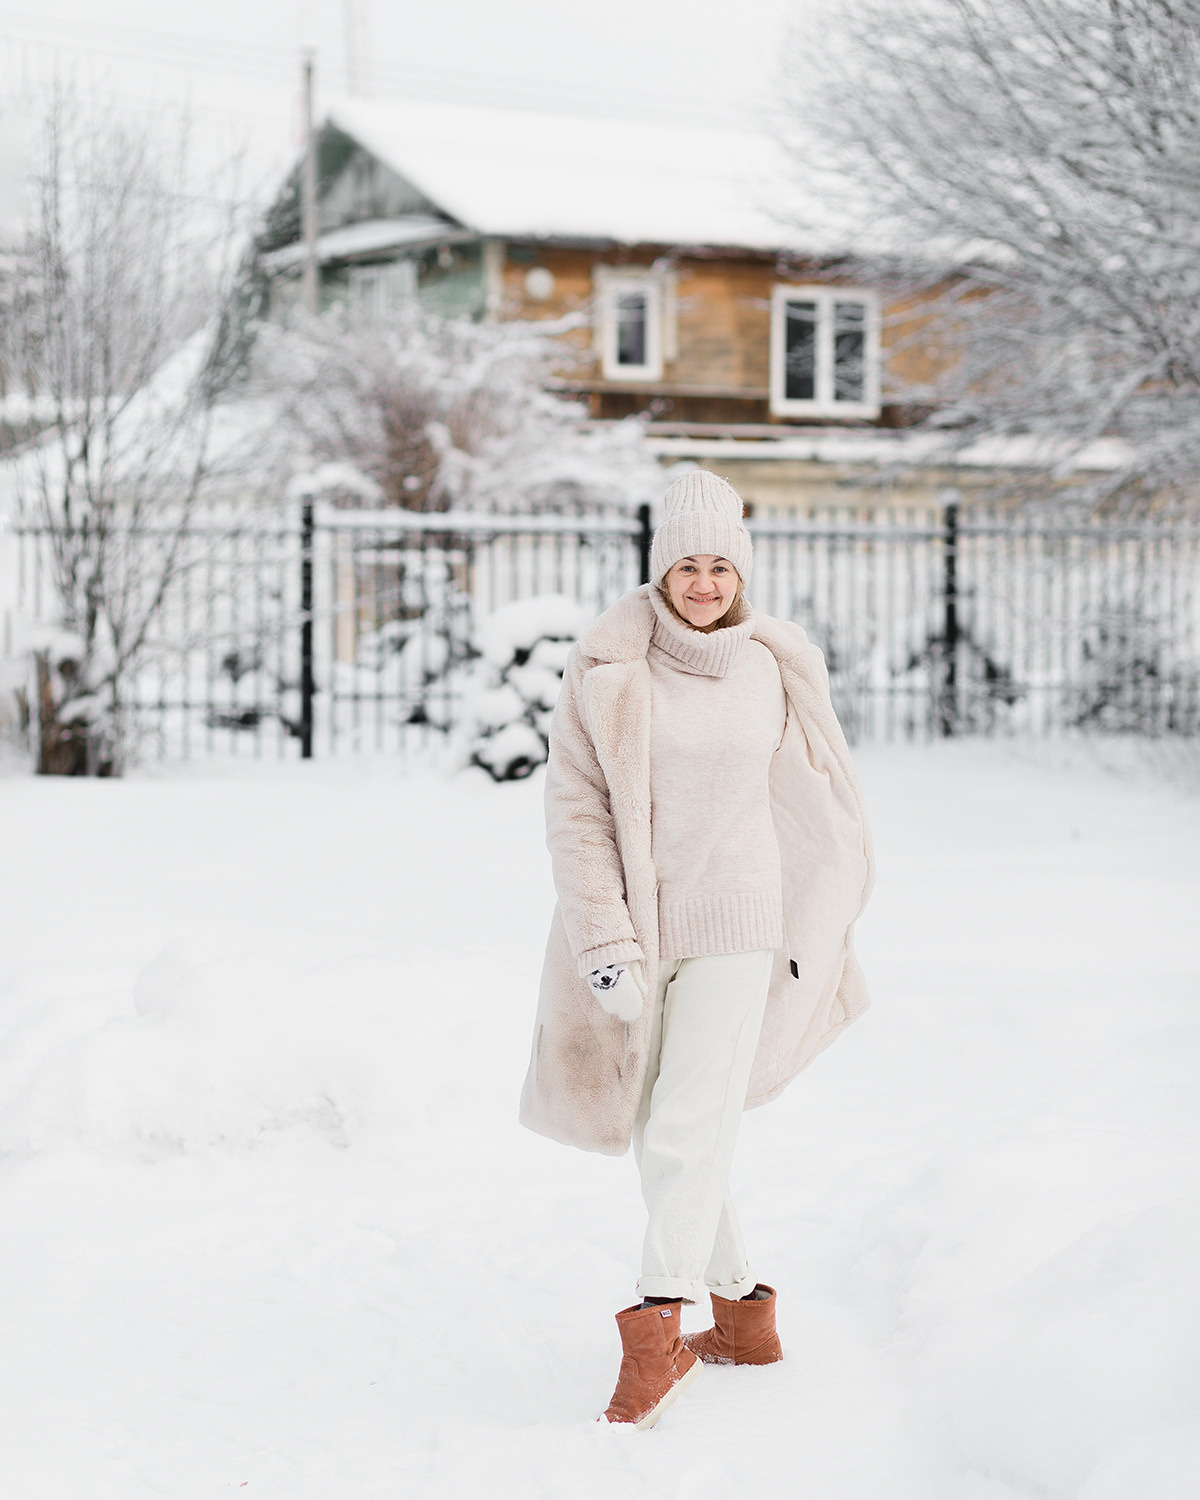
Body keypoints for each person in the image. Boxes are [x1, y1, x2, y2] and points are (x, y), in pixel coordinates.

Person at [520, 470, 875, 1429]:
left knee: (685, 1126)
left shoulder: (774, 668)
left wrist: (822, 912)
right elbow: (575, 810)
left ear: (742, 570)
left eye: (723, 564)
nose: (706, 583)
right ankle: (745, 1320)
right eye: (689, 563)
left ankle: (657, 1331)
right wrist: (604, 939)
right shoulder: (608, 670)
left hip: (740, 929)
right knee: (664, 1127)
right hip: (640, 928)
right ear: (660, 569)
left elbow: (818, 803)